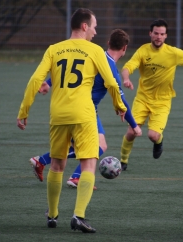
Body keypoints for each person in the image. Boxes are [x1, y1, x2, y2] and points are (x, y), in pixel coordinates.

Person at [17, 8, 127, 233]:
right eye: (94, 26)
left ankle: (53, 214)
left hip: (58, 115)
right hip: (84, 115)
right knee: (88, 163)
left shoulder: (54, 49)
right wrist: (119, 106)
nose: (95, 32)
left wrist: (23, 111)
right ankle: (79, 215)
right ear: (85, 26)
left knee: (57, 166)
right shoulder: (95, 51)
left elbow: (35, 80)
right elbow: (111, 82)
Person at [29, 29, 142, 188]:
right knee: (94, 146)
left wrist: (48, 83)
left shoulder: (93, 54)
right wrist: (134, 125)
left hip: (82, 108)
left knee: (95, 145)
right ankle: (69, 174)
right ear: (124, 49)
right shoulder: (110, 67)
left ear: (108, 43)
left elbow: (70, 70)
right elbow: (121, 98)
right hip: (83, 110)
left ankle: (48, 164)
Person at [119, 19, 183, 170]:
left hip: (162, 101)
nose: (158, 37)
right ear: (150, 33)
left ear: (166, 36)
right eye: (156, 33)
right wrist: (126, 78)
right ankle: (123, 161)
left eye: (162, 34)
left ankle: (159, 142)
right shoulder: (143, 50)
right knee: (131, 132)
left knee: (152, 136)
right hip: (142, 98)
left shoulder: (173, 53)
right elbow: (128, 66)